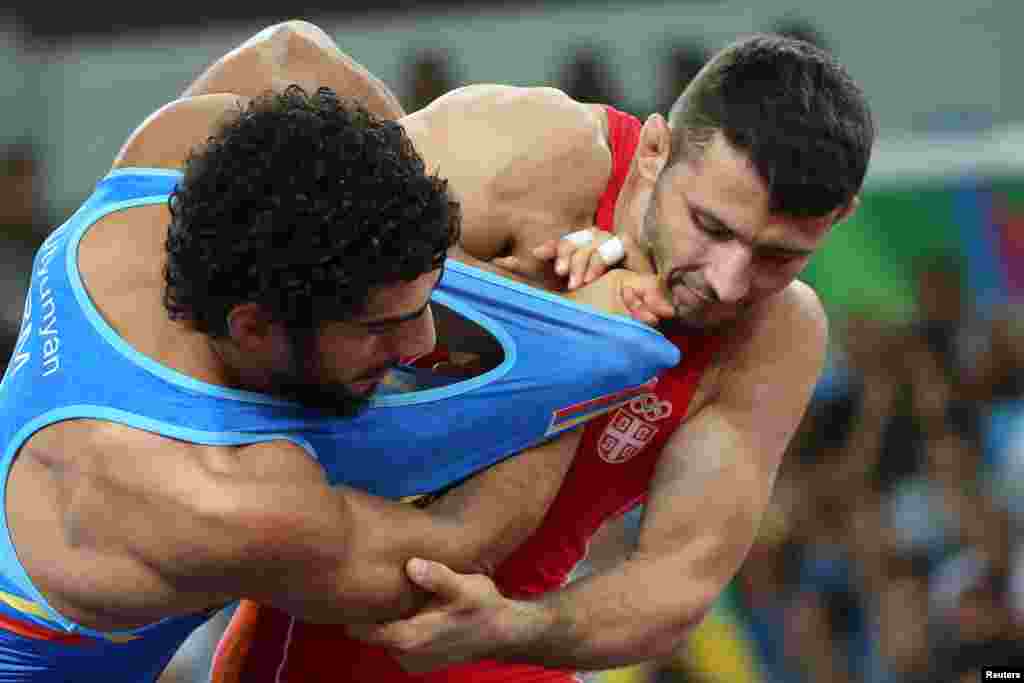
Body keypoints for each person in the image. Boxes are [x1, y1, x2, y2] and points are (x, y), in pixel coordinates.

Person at [0, 21, 681, 682]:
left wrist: (428, 212)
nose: (422, 341)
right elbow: (450, 557)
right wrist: (588, 360)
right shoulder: (217, 498)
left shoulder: (166, 162)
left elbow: (291, 47)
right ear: (255, 327)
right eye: (383, 326)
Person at [211, 29, 876, 681]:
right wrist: (536, 302)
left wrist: (507, 626)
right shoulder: (536, 148)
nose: (730, 283)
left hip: (499, 640)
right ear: (651, 152)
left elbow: (674, 581)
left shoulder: (776, 336)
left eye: (778, 256)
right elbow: (278, 268)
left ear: (838, 217)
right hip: (320, 615)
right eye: (711, 228)